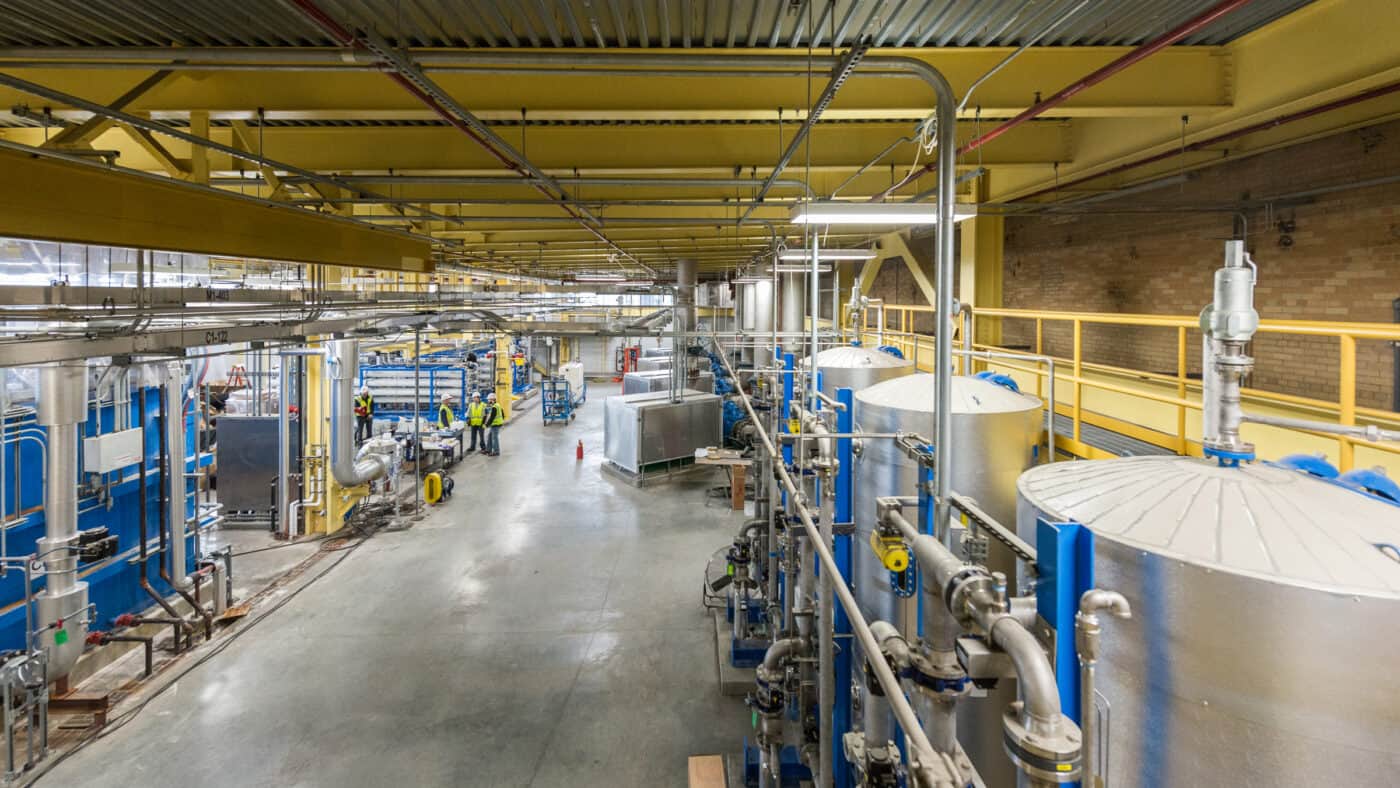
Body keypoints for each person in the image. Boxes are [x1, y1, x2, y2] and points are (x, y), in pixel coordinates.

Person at [483, 392, 505, 456]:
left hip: (496, 424)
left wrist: (486, 425)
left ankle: (496, 451)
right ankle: (488, 450)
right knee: (489, 436)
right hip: (496, 424)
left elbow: (492, 418)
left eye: (489, 400)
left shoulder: (494, 407)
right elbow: (502, 414)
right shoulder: (497, 405)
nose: (488, 401)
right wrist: (501, 421)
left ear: (493, 399)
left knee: (494, 438)